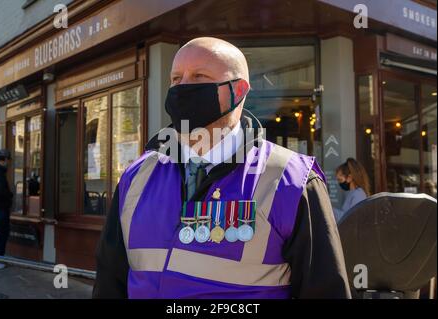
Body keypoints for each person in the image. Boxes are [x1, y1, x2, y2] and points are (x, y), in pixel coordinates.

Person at [93, 37, 351, 299]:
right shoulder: (136, 178)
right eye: (176, 78)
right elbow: (109, 282)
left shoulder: (292, 181)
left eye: (199, 77)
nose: (182, 87)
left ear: (238, 92)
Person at [333, 158, 370, 222]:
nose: (339, 183)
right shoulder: (353, 193)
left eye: (340, 180)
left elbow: (351, 219)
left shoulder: (358, 194)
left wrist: (328, 209)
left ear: (349, 178)